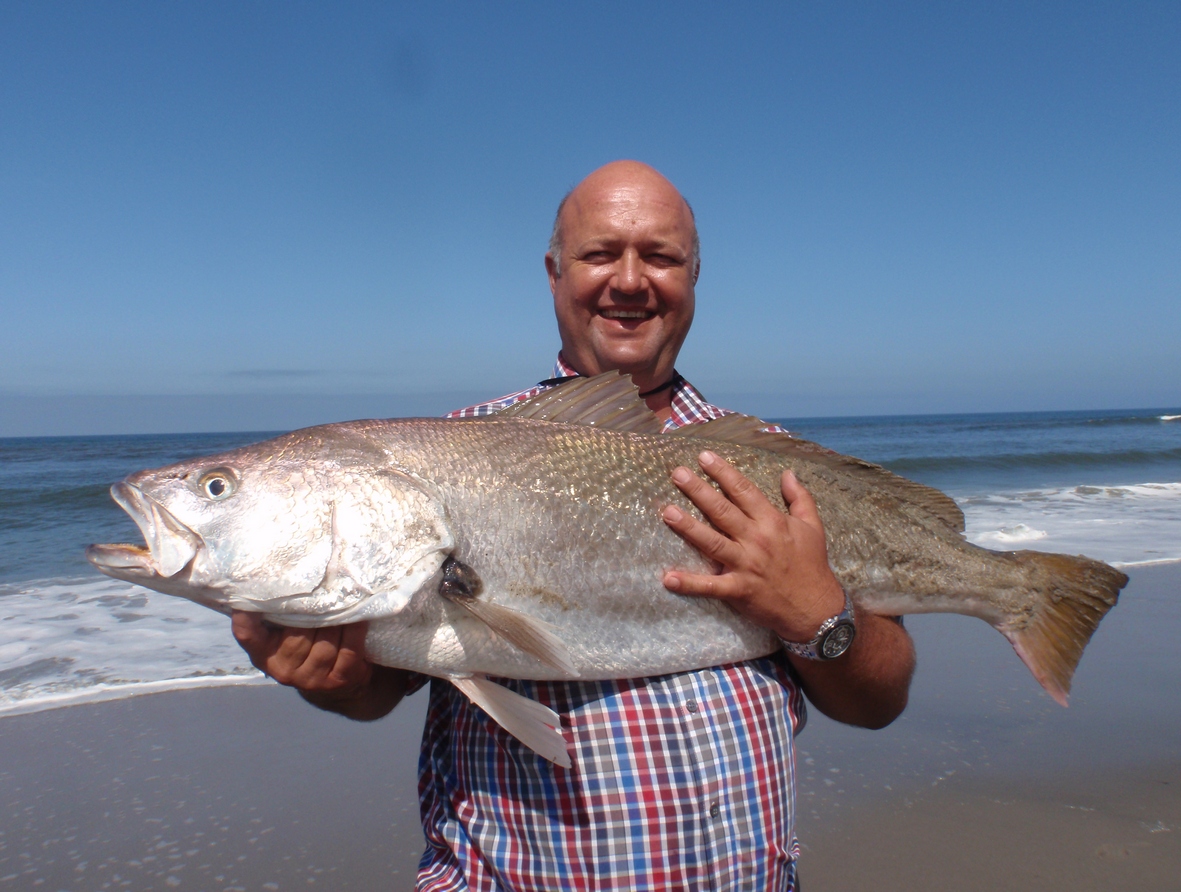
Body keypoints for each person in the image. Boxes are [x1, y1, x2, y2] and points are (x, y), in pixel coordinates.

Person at [232, 160, 916, 890]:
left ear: (692, 278)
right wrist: (331, 680)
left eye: (660, 256)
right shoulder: (453, 453)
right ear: (554, 273)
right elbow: (379, 687)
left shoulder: (772, 471)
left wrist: (823, 619)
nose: (629, 279)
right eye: (599, 254)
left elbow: (879, 699)